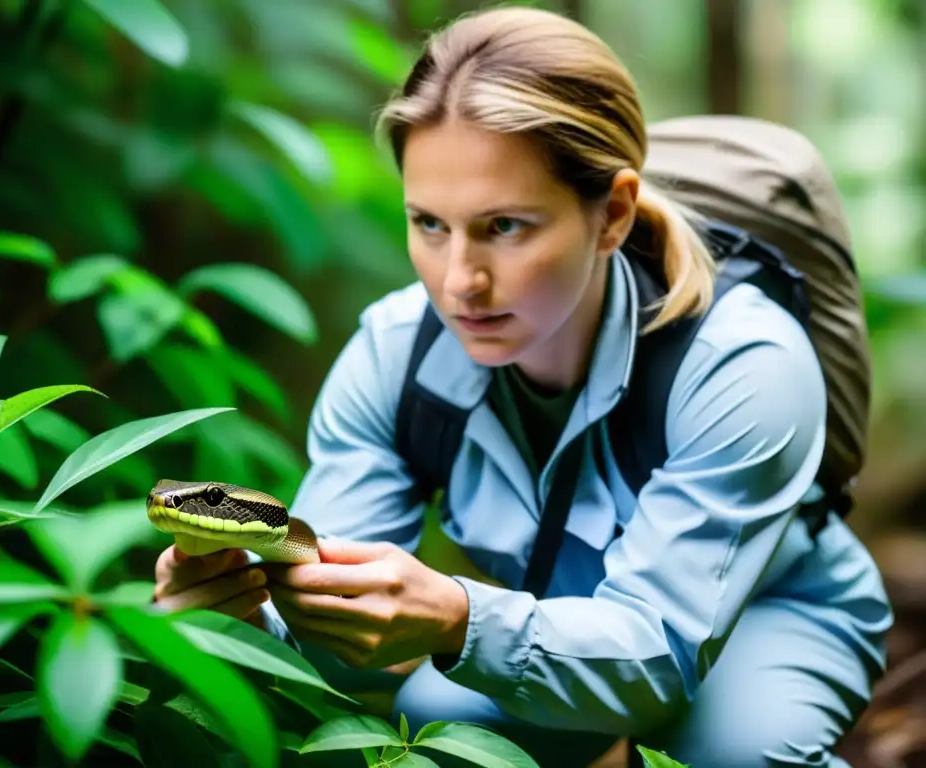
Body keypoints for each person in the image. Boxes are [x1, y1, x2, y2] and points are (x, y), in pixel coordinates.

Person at [152, 6, 893, 767]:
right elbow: (337, 628)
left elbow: (659, 657)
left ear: (611, 214)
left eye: (505, 226)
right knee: (437, 737)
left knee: (736, 757)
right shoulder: (396, 351)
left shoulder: (743, 360)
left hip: (767, 611)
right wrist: (245, 621)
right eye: (430, 224)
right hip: (553, 613)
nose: (459, 281)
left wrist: (459, 622)